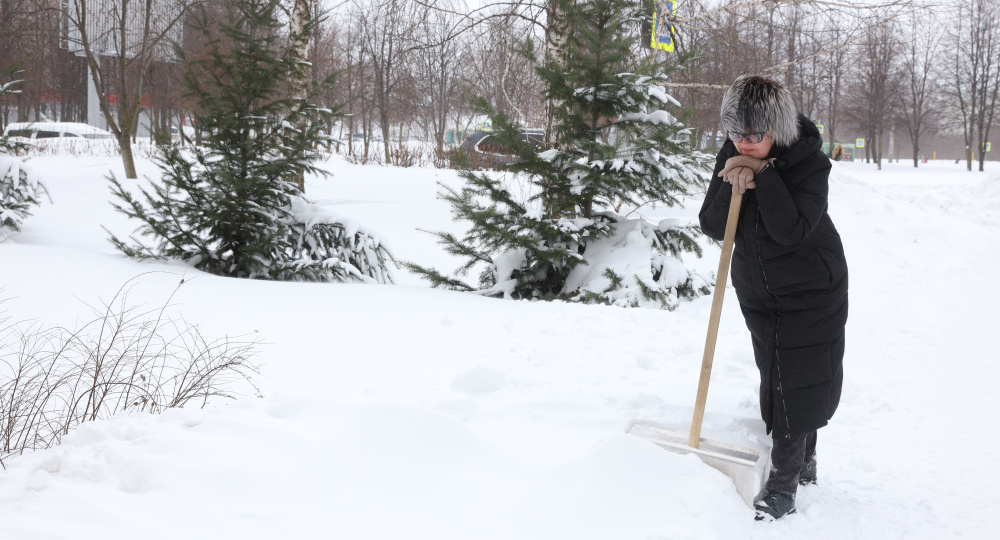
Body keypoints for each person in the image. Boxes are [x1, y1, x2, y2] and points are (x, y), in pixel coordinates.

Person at [698, 74, 849, 521]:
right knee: (779, 374)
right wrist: (733, 180)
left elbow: (792, 231)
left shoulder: (809, 163)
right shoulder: (734, 154)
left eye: (754, 137)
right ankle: (804, 458)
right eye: (735, 135)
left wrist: (765, 177)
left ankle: (784, 484)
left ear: (777, 130)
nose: (744, 144)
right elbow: (711, 223)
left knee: (795, 378)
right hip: (760, 289)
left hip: (811, 287)